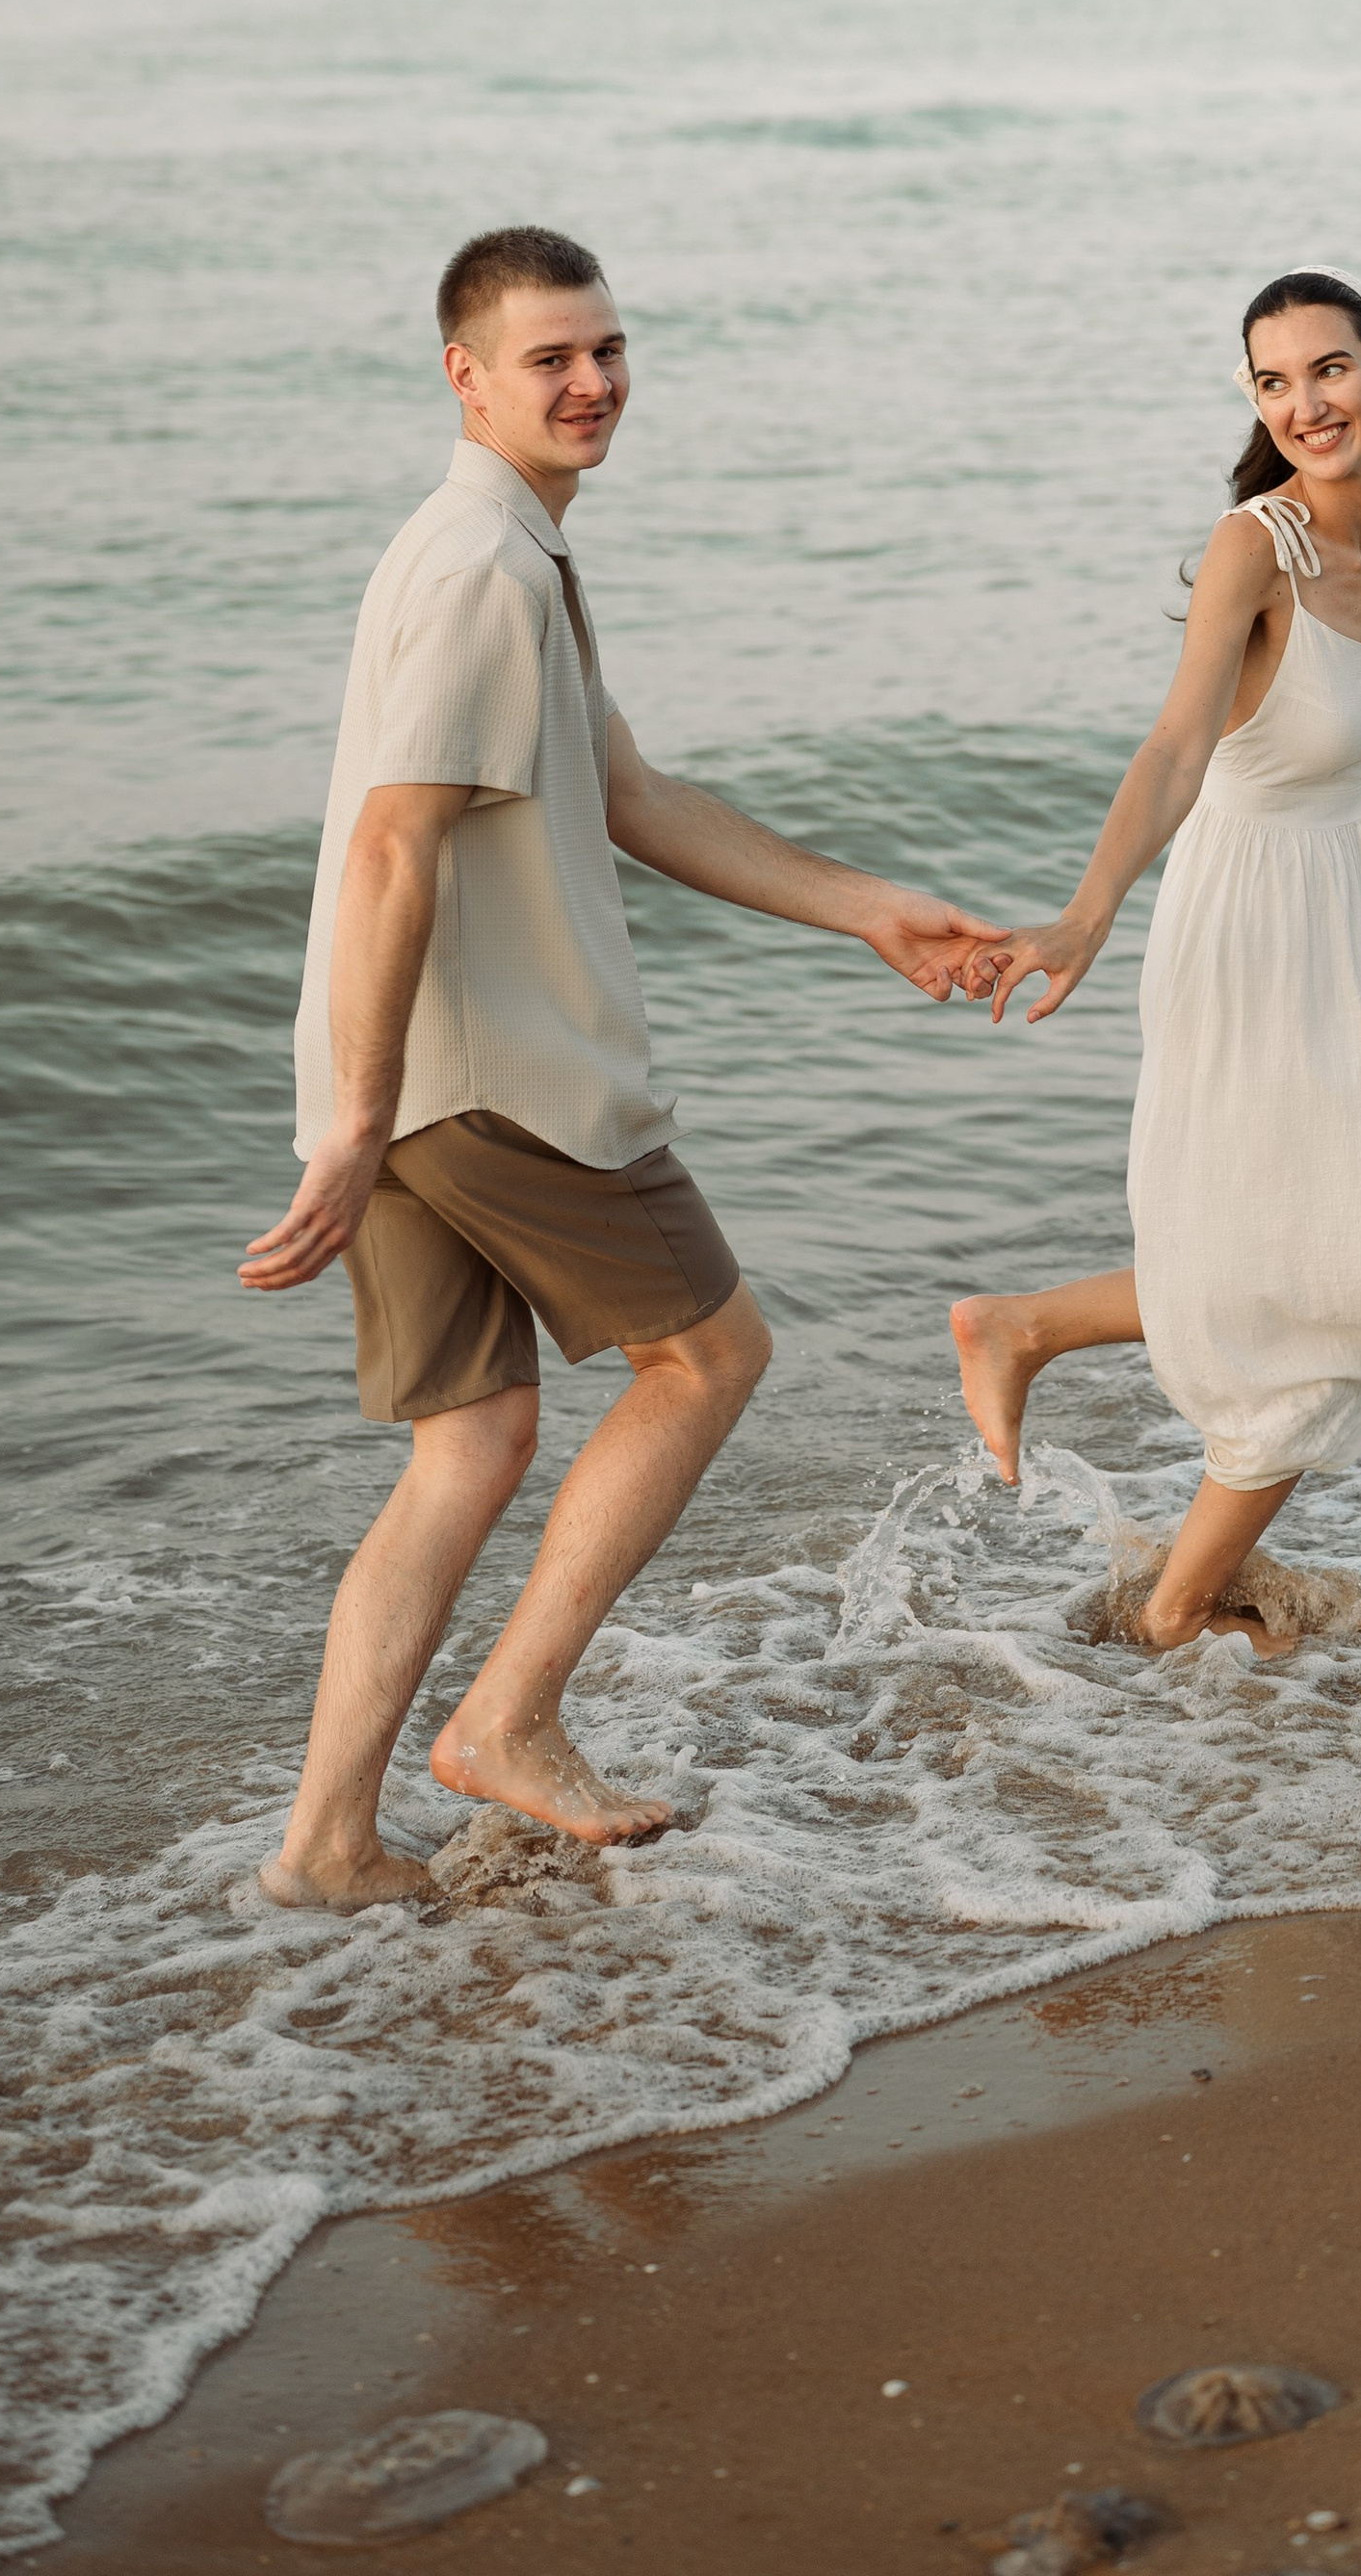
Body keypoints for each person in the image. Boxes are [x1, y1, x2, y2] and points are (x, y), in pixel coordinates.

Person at [243, 225, 999, 1910]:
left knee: (470, 1446)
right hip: (496, 1080)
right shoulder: (486, 572)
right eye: (550, 360)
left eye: (608, 350)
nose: (591, 384)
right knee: (710, 1355)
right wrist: (355, 1126)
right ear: (466, 377)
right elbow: (392, 847)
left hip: (413, 1081)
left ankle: (325, 1846)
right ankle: (508, 1722)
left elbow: (631, 796)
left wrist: (868, 909)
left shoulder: (490, 547)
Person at [951, 270, 1361, 1652]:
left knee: (1340, 1249)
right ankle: (1176, 1610)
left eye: (1329, 370)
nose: (1305, 404)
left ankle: (1024, 1327)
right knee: (1317, 1272)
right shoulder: (1251, 548)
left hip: (1350, 913)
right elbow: (1175, 749)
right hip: (1246, 921)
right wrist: (1087, 914)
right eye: (1274, 381)